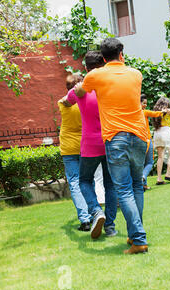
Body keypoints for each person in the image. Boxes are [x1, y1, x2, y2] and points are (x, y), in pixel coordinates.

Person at [75, 37, 150, 254]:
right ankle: (135, 234)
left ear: (103, 57)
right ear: (121, 54)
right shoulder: (136, 74)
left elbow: (80, 92)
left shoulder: (95, 75)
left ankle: (138, 239)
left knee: (124, 189)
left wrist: (80, 87)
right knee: (137, 186)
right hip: (140, 136)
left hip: (116, 138)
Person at [61, 51, 118, 239]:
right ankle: (110, 226)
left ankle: (95, 211)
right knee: (110, 185)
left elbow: (67, 102)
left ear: (86, 68)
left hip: (90, 146)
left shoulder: (79, 90)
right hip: (109, 141)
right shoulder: (110, 87)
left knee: (84, 181)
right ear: (103, 64)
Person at [58, 74, 91, 231]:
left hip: (68, 147)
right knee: (86, 181)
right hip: (84, 145)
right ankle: (93, 213)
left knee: (74, 182)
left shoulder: (62, 103)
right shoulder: (85, 102)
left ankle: (84, 219)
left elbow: (66, 100)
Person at [140, 94, 165, 191]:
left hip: (138, 140)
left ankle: (144, 185)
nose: (145, 105)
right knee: (149, 162)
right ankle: (143, 176)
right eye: (143, 103)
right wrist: (163, 111)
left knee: (141, 164)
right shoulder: (144, 112)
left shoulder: (133, 114)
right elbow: (155, 113)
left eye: (146, 103)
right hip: (147, 140)